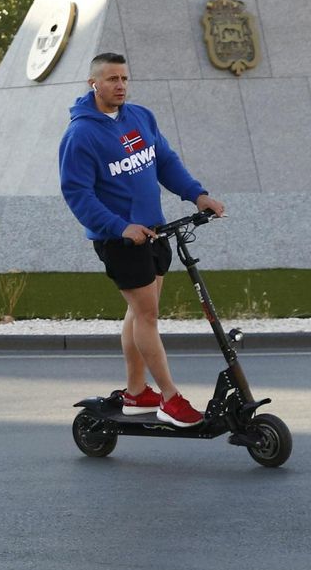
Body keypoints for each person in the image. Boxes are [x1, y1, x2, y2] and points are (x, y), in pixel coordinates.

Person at [59, 52, 226, 428]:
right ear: (94, 84)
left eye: (124, 78)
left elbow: (164, 161)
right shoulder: (81, 134)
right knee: (147, 316)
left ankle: (136, 393)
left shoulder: (140, 117)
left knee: (139, 314)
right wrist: (119, 227)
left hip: (155, 231)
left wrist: (197, 195)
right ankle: (170, 398)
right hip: (121, 240)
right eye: (112, 79)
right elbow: (77, 194)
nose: (120, 85)